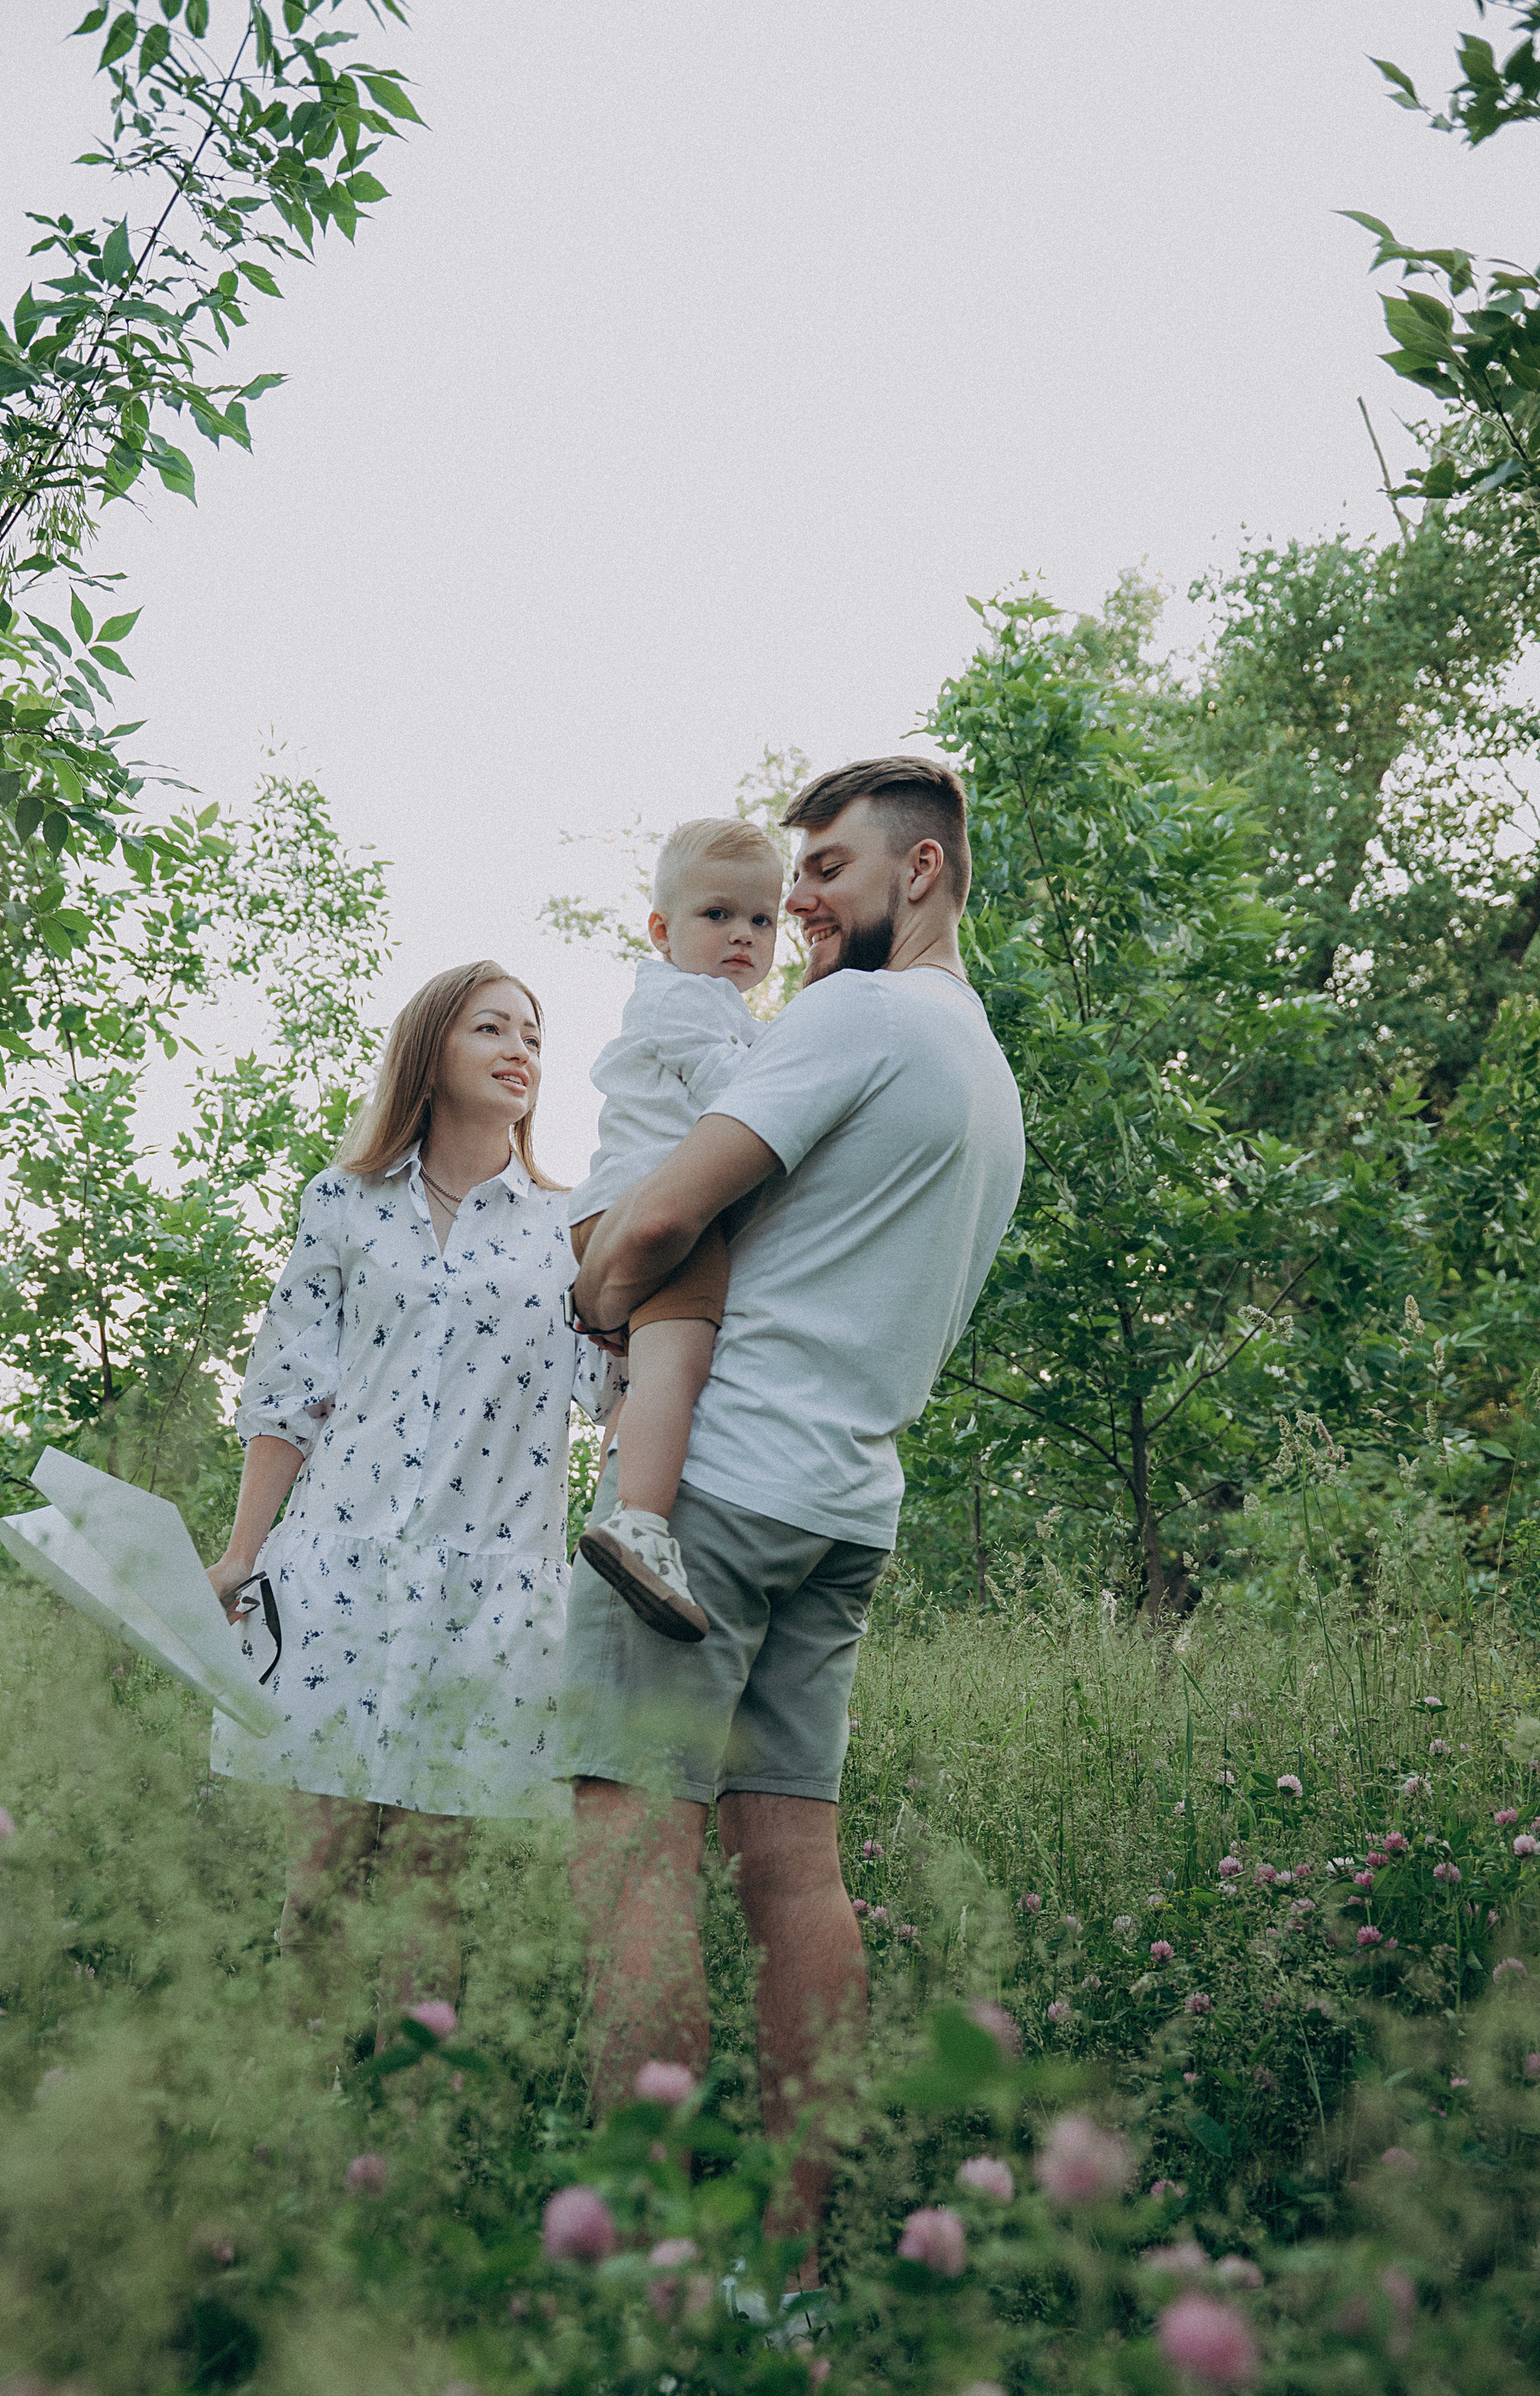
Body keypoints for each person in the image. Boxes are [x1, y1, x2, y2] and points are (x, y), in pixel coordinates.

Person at [562, 757, 1026, 2300]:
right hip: (845, 1507)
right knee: (796, 1880)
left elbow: (650, 1218)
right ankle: (786, 2273)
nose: (800, 902)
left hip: (711, 1493)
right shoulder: (982, 1071)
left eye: (827, 868)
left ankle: (652, 2263)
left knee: (630, 1856)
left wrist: (596, 1297)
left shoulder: (853, 1018)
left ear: (924, 873)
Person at [206, 959, 613, 2015]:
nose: (521, 1047)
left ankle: (401, 2150)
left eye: (532, 1031)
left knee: (434, 1905)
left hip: (488, 1596)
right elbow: (287, 1394)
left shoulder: (570, 1227)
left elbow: (613, 1390)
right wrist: (242, 1554)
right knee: (319, 1884)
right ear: (431, 1050)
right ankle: (291, 2132)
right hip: (335, 1578)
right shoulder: (341, 1204)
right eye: (492, 1027)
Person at [565, 817, 781, 1642]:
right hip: (653, 1204)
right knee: (678, 1371)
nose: (742, 935)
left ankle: (621, 1497)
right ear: (661, 929)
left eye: (762, 921)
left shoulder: (708, 1001)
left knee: (639, 1380)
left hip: (619, 1205)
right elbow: (737, 1090)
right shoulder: (682, 998)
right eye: (717, 915)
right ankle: (643, 1524)